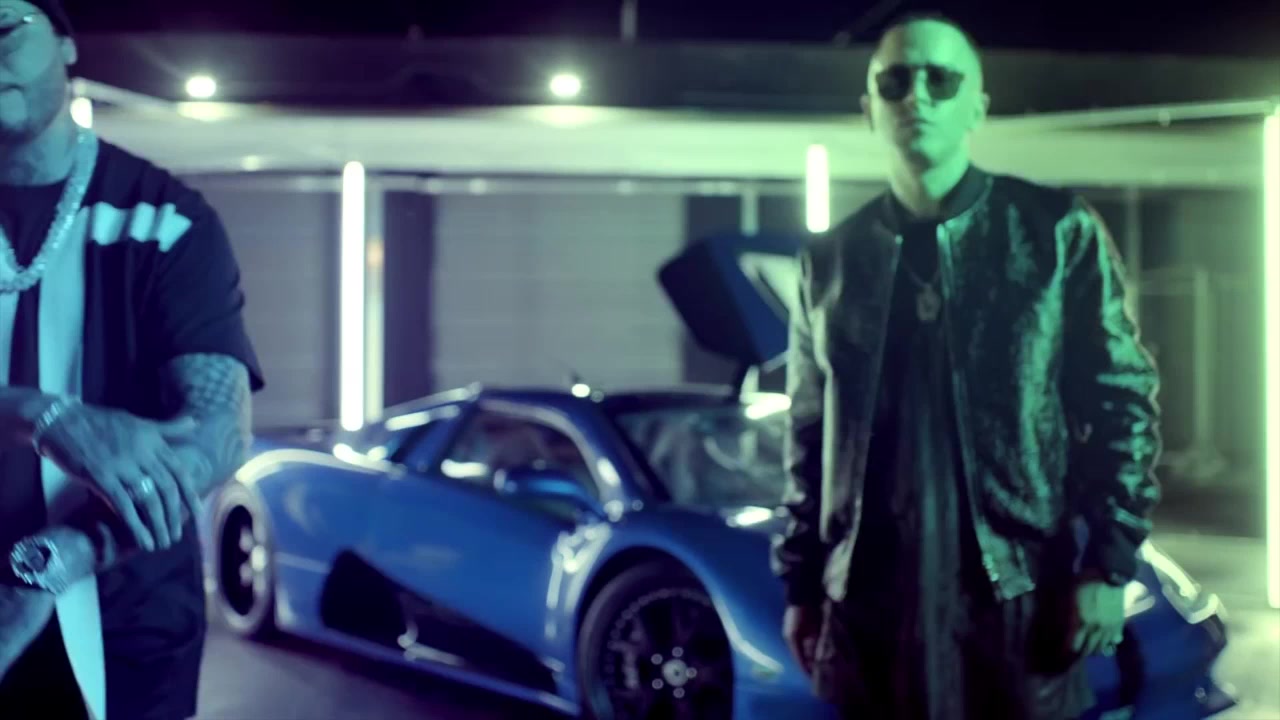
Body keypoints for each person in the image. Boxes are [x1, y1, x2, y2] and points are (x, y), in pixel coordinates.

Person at [772, 13, 1161, 720]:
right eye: (895, 81)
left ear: (977, 107)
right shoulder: (828, 262)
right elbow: (807, 434)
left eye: (941, 79)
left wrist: (1108, 563)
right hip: (869, 605)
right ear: (869, 108)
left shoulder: (1054, 232)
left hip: (1017, 599)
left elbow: (1122, 403)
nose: (917, 95)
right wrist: (801, 587)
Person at [0, 1, 264, 718]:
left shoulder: (164, 218)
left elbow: (217, 435)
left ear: (65, 43)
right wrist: (40, 415)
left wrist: (59, 558)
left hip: (126, 614)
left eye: (6, 27)